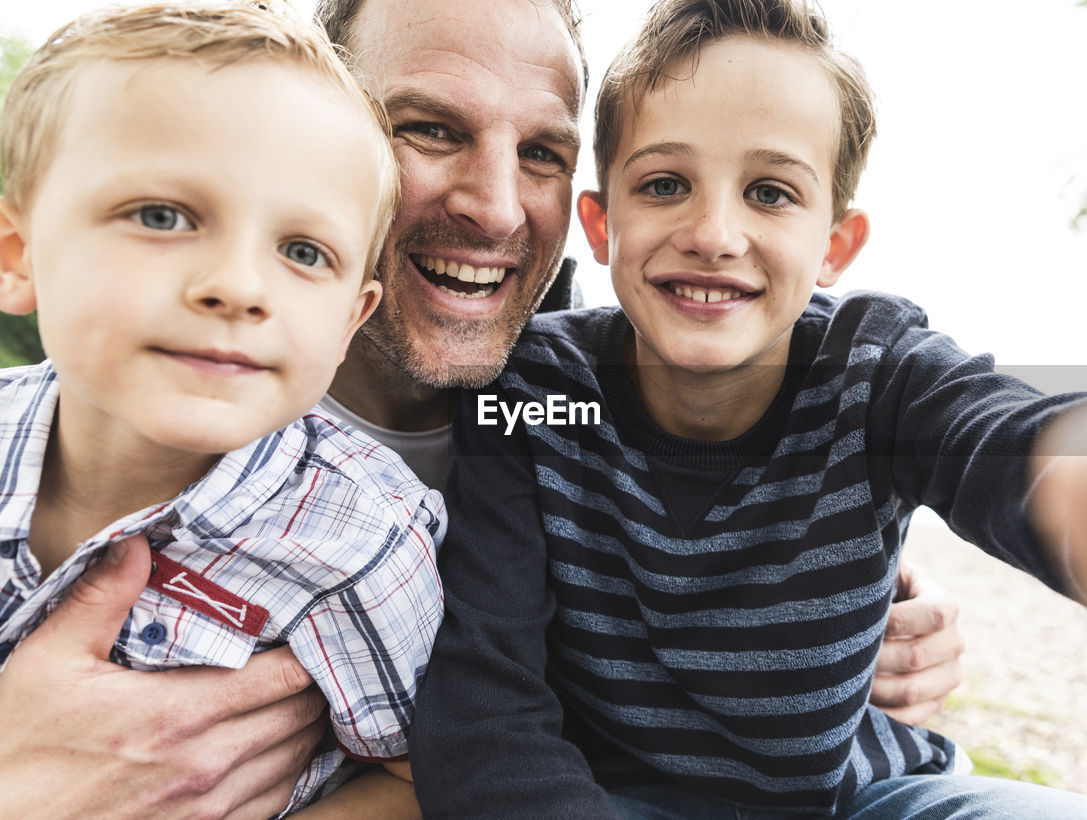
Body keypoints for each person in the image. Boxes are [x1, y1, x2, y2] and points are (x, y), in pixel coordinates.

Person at [0, 0, 961, 814]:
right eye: (429, 128)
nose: (498, 209)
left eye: (544, 152)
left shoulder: (555, 404)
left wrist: (855, 581)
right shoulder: (147, 403)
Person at [409, 0, 1087, 816]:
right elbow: (491, 713)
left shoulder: (874, 377)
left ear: (835, 244)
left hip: (862, 801)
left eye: (771, 192)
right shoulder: (541, 400)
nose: (714, 232)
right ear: (602, 226)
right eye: (666, 184)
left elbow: (1002, 439)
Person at [0, 3, 445, 816]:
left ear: (351, 320)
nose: (238, 286)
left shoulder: (360, 540)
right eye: (162, 216)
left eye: (304, 252)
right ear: (18, 254)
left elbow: (426, 777)